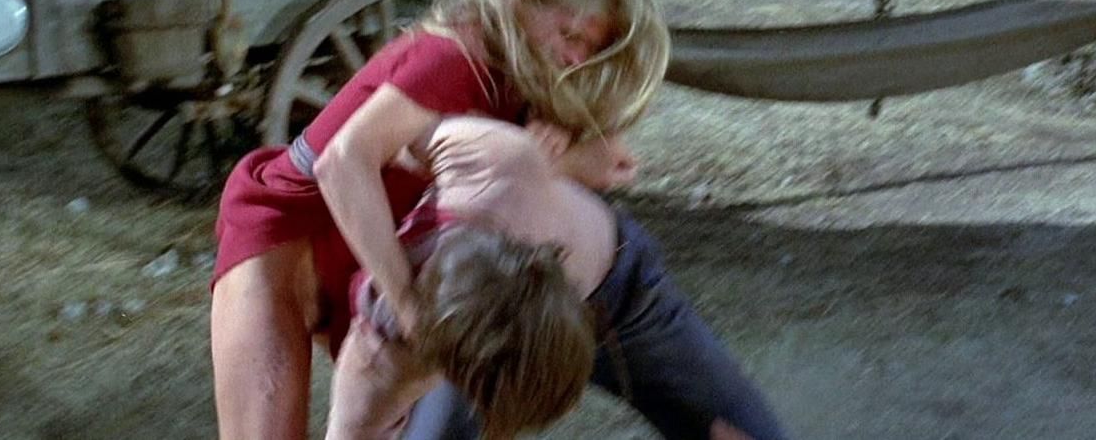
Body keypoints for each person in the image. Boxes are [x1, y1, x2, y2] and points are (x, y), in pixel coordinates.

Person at [209, 0, 669, 438]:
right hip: (286, 237)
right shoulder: (453, 56)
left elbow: (483, 164)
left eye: (589, 46)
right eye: (568, 34)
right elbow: (343, 162)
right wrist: (405, 302)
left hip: (358, 252)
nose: (573, 56)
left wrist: (562, 140)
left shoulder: (524, 74)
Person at [326, 116, 789, 440]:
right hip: (466, 345)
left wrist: (572, 149)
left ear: (544, 261)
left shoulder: (499, 162)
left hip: (626, 290)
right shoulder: (381, 359)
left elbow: (405, 133)